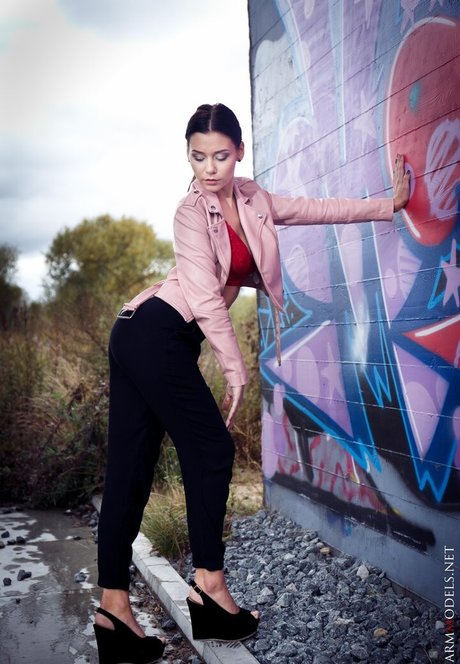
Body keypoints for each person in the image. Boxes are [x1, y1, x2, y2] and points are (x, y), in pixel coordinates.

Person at [93, 103, 410, 663]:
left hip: (149, 337)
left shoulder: (254, 199)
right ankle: (210, 589)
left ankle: (113, 612)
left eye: (220, 155)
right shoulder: (189, 213)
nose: (209, 168)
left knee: (133, 468)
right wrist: (236, 370)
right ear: (188, 156)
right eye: (197, 157)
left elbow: (314, 209)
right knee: (209, 451)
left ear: (239, 151)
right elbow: (205, 300)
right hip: (152, 333)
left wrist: (390, 204)